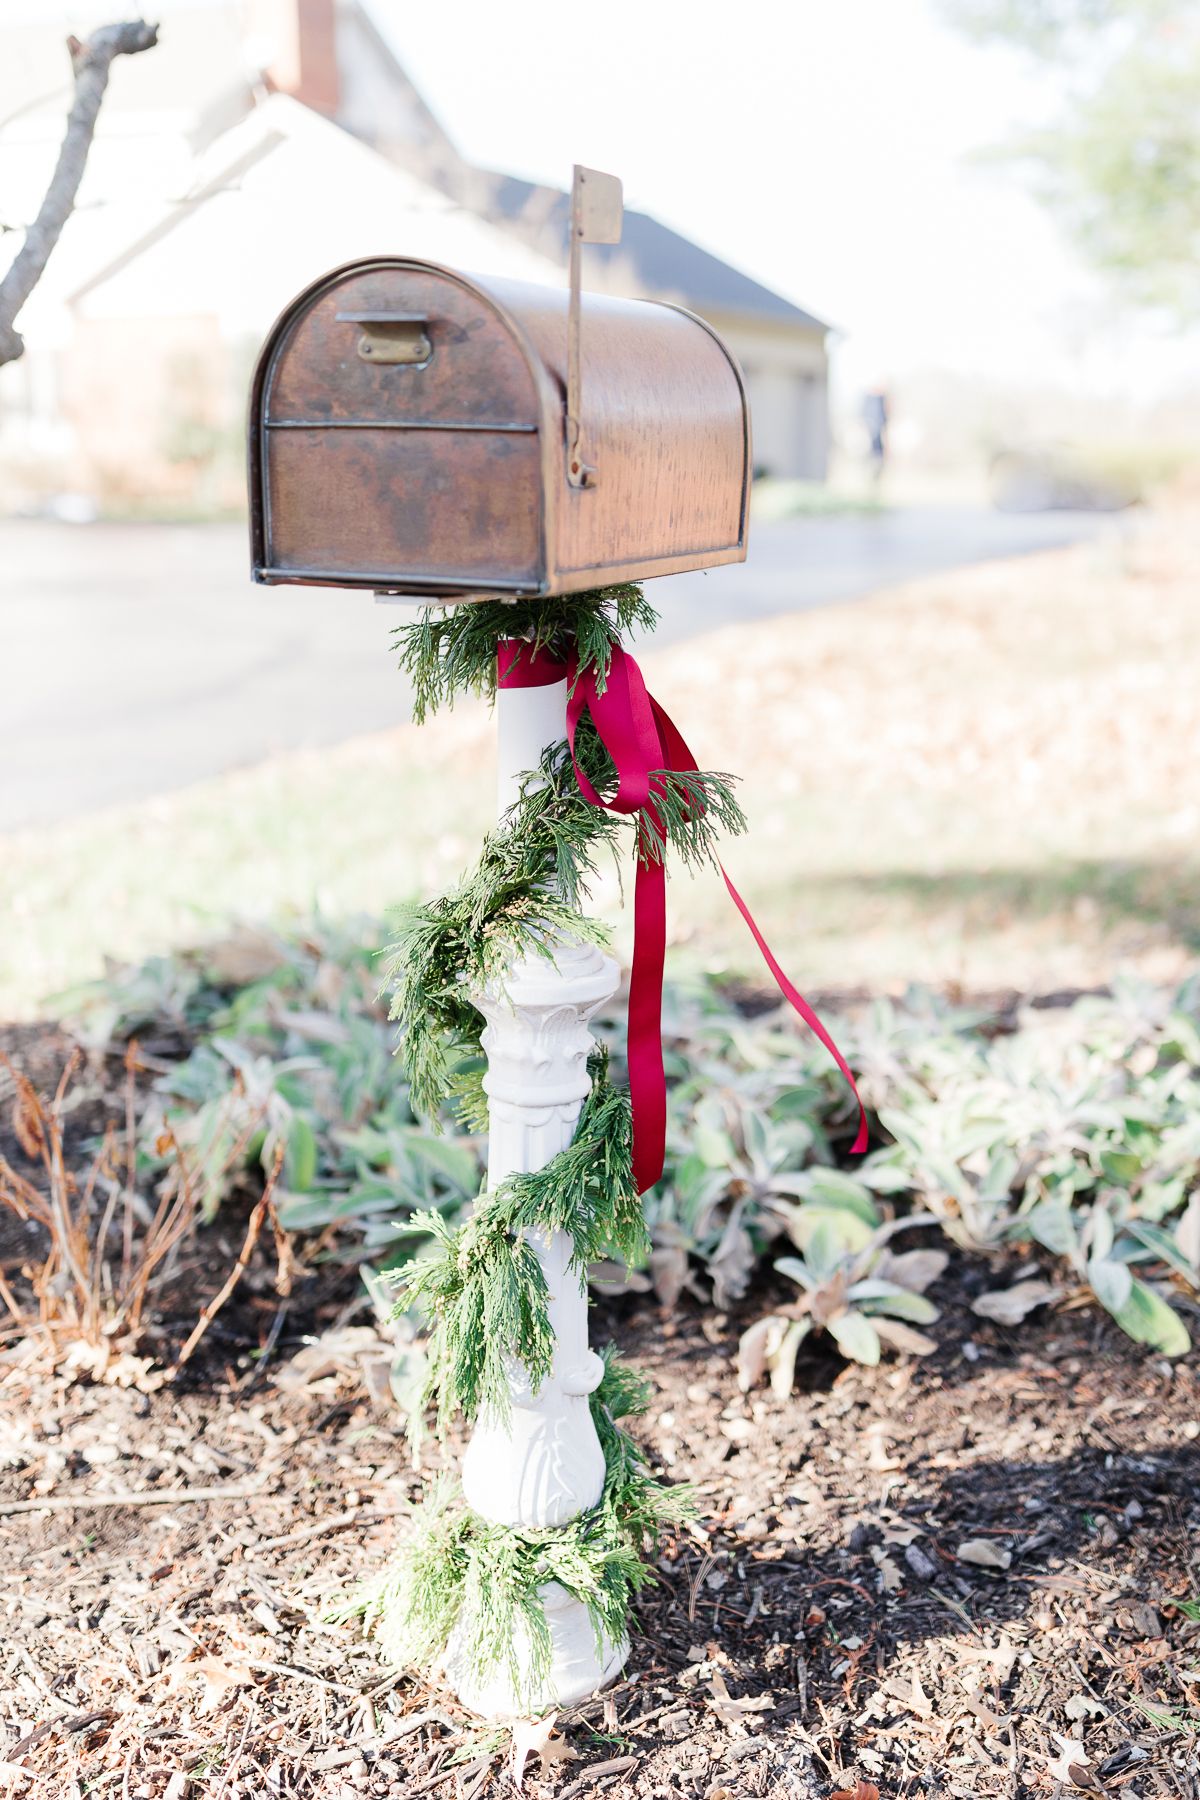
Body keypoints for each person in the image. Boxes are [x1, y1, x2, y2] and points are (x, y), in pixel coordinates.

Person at [862, 387, 889, 481]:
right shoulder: (869, 399)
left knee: (878, 455)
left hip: (879, 436)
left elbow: (885, 417)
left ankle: (877, 476)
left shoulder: (882, 399)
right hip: (871, 433)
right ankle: (870, 475)